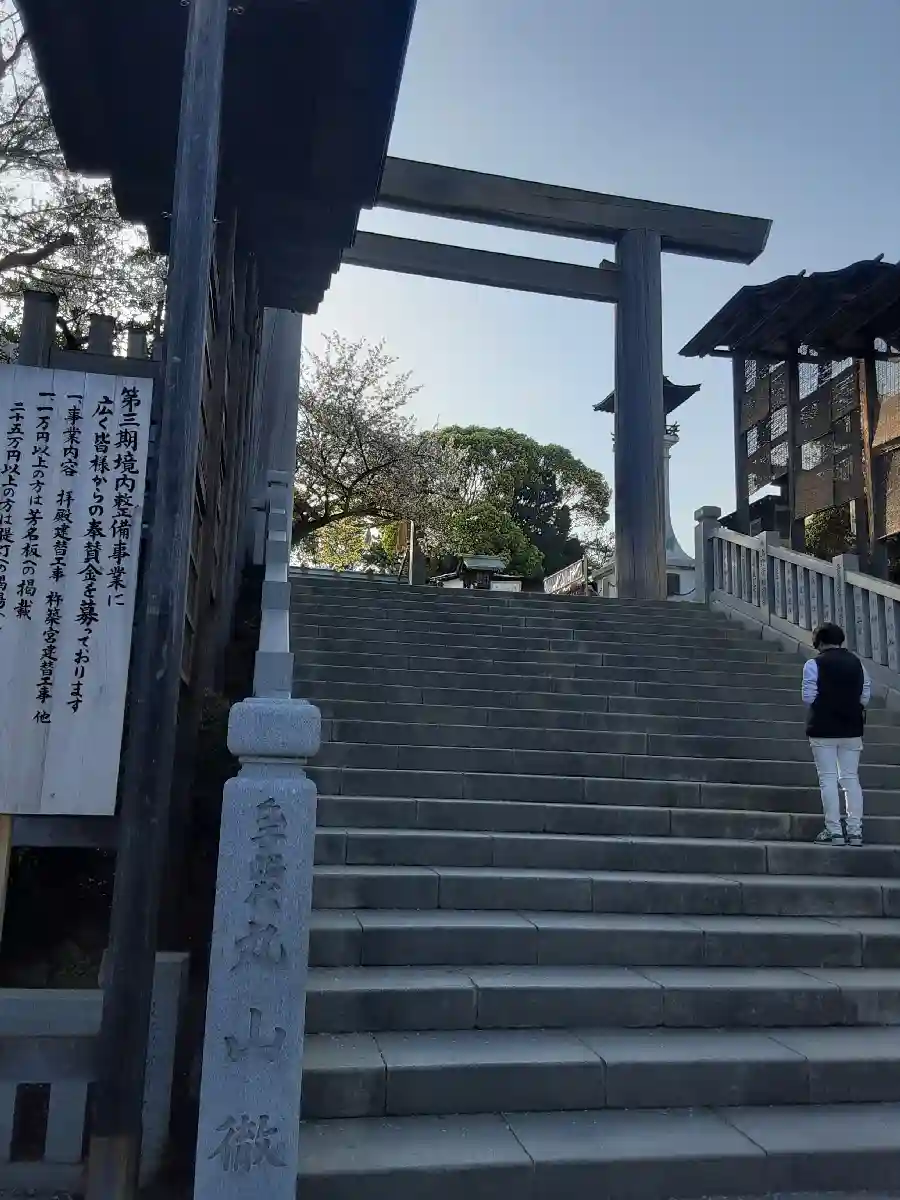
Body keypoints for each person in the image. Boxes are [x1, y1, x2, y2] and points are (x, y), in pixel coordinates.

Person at [802, 622, 871, 846]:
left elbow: (808, 697)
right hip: (852, 728)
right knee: (850, 779)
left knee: (828, 779)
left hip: (822, 728)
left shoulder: (814, 664)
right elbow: (865, 696)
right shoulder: (857, 664)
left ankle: (834, 831)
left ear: (819, 642)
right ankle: (855, 831)